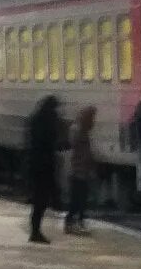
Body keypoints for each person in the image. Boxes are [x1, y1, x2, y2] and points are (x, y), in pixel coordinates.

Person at [26, 94, 64, 242]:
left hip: (36, 164)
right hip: (44, 165)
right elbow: (50, 143)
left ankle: (35, 231)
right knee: (40, 200)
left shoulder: (35, 119)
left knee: (38, 200)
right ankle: (35, 232)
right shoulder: (47, 122)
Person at [64, 105, 98, 234]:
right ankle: (72, 222)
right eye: (92, 117)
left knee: (81, 198)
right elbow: (80, 151)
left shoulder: (80, 130)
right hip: (78, 170)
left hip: (82, 170)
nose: (93, 121)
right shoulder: (78, 130)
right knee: (77, 198)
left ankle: (77, 221)